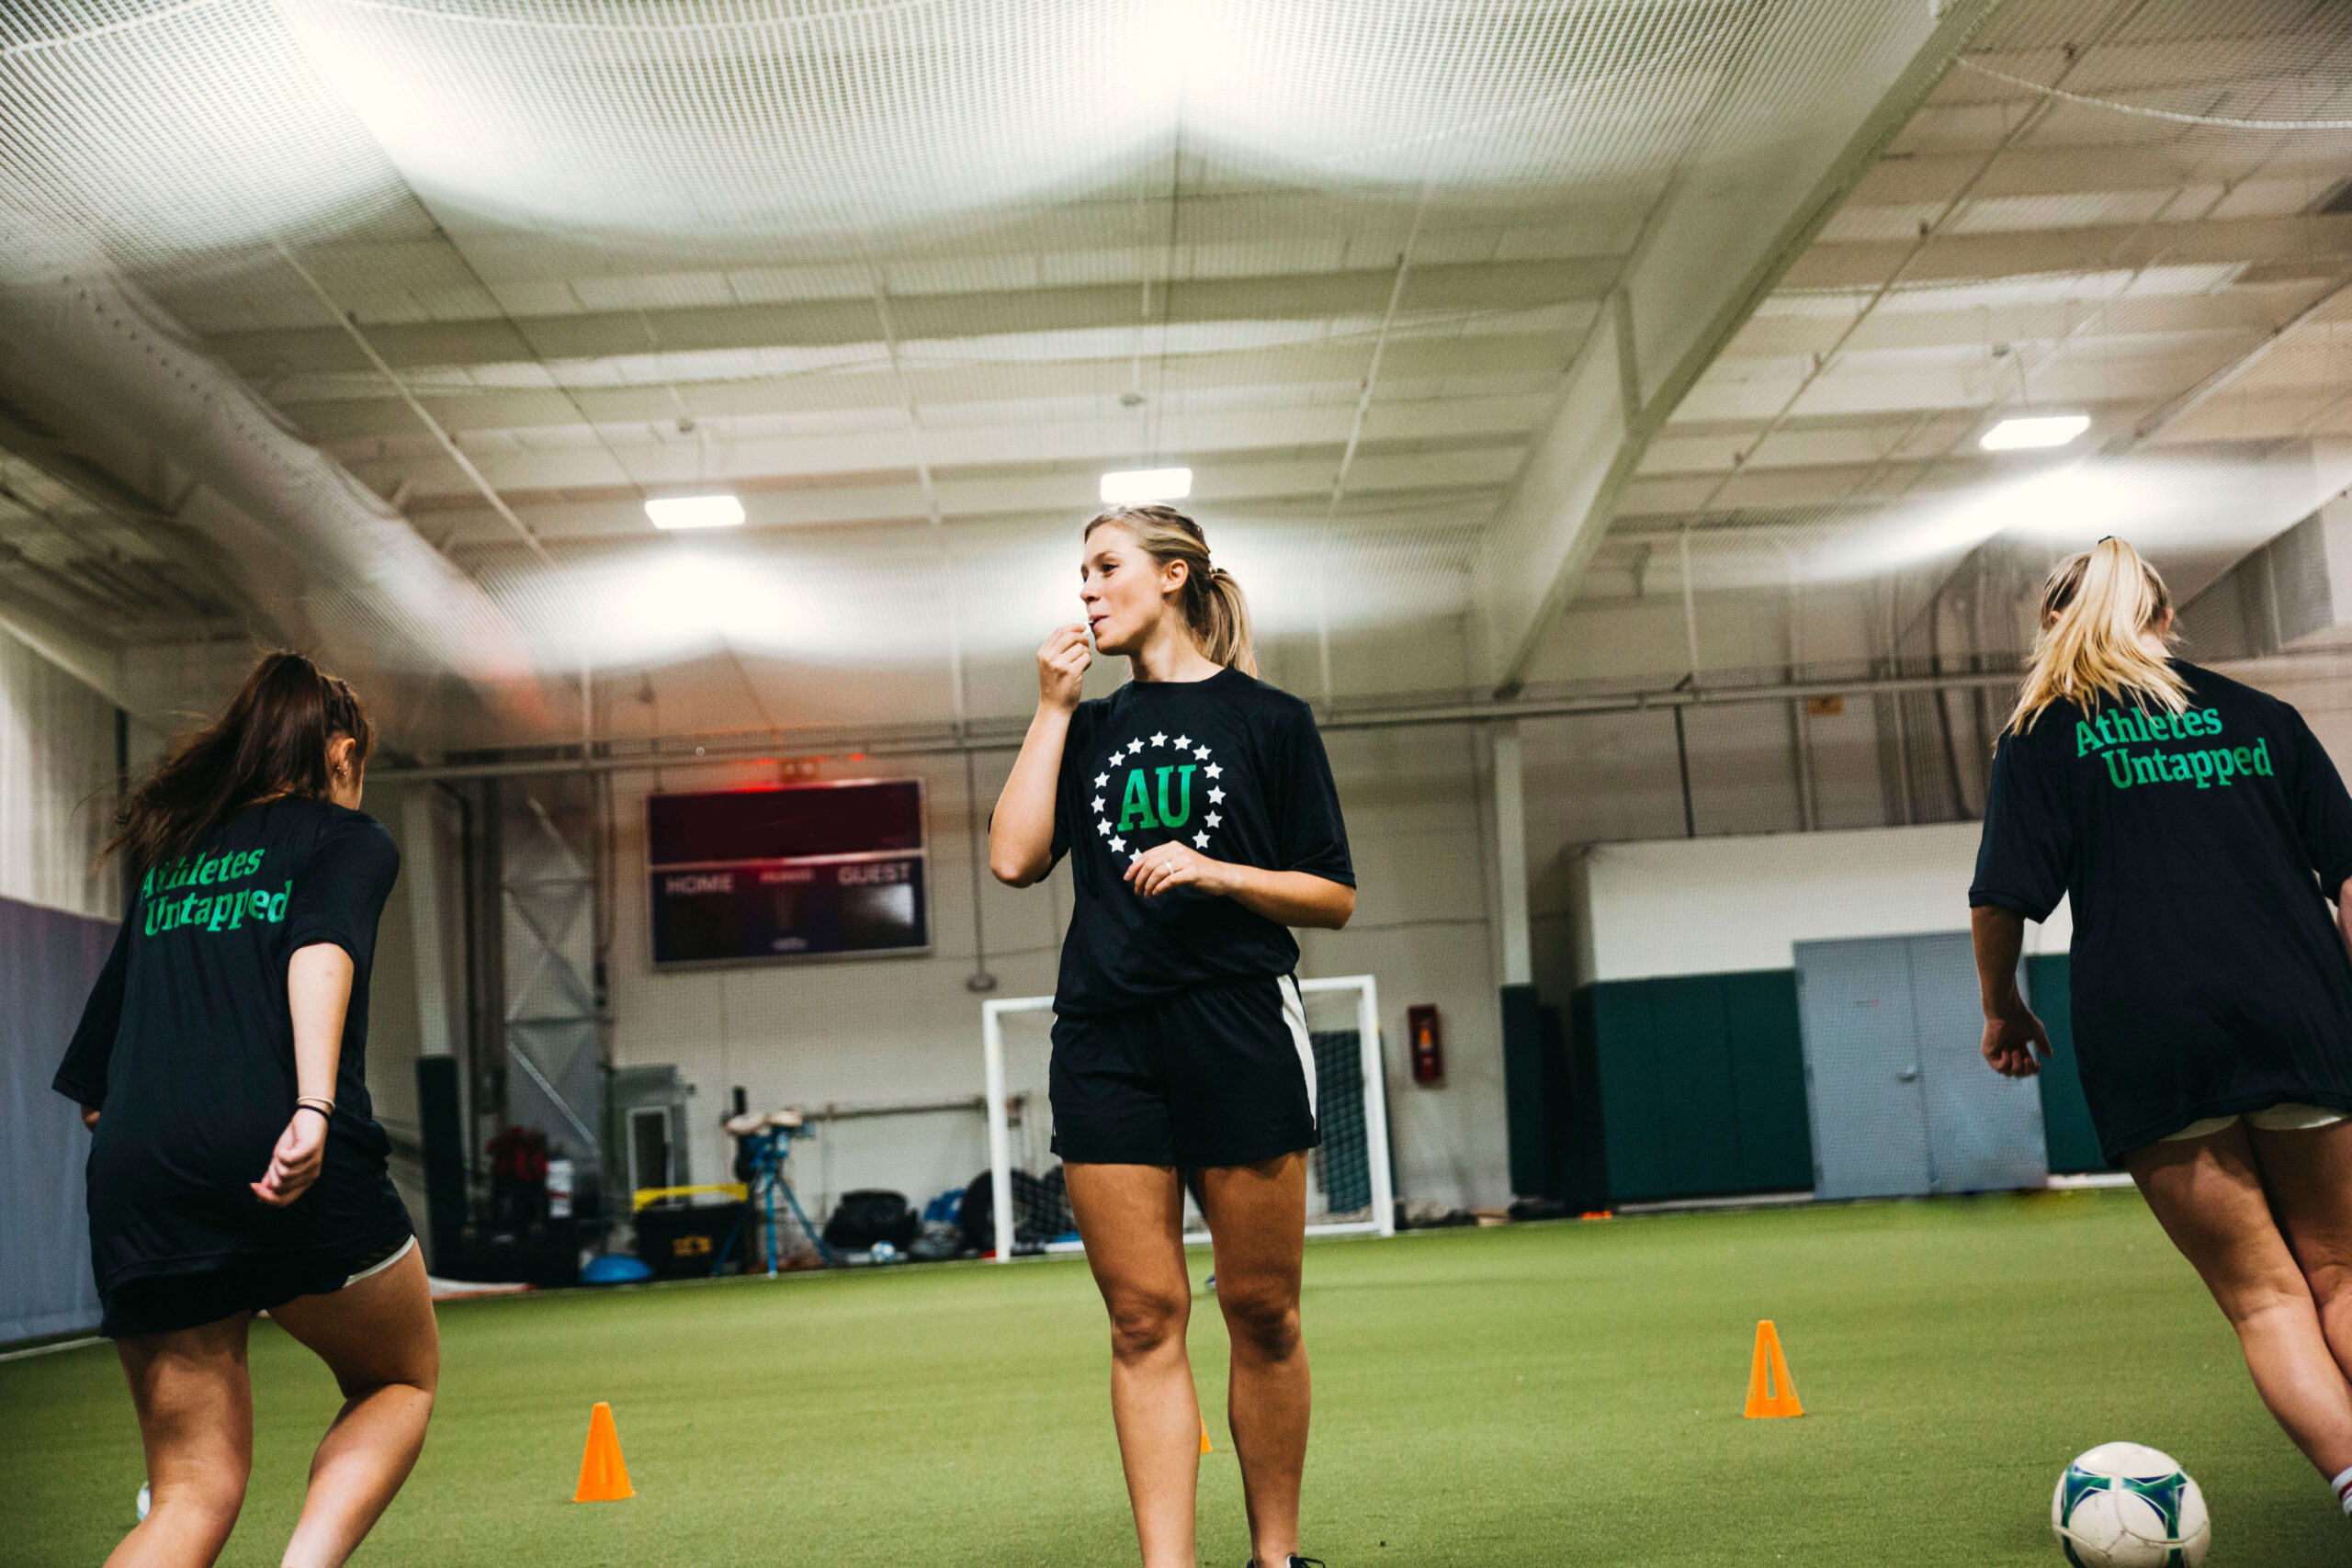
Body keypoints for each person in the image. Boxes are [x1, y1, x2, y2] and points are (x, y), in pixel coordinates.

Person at [989, 504, 1354, 1568]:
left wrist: (1216, 870)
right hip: (1105, 1037)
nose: (1088, 591)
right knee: (1143, 1317)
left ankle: (1274, 1560)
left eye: (1107, 569)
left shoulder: (1270, 721)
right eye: (1082, 574)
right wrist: (1053, 708)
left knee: (1261, 1309)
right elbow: (1014, 860)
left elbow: (1330, 894)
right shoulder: (1088, 723)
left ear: (1175, 575)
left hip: (1235, 1023)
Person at [1970, 536, 2352, 1520]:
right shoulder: (2260, 717)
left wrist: (2002, 1007)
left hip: (2147, 1027)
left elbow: (2001, 896)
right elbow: (2349, 874)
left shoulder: (2043, 734)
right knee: (2340, 1272)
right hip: (2299, 1008)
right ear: (2166, 618)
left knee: (2264, 1296)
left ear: (2053, 622)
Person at [54, 651, 435, 1568]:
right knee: (397, 1378)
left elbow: (94, 1095)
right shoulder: (348, 841)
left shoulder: (172, 862)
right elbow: (321, 951)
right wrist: (309, 1105)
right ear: (341, 753)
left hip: (139, 1173)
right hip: (281, 1144)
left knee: (189, 1495)